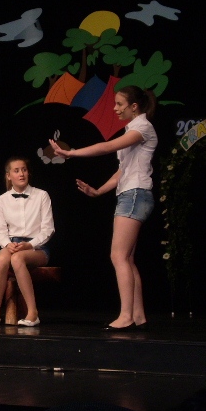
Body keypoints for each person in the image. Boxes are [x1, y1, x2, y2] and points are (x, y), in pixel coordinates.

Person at [50, 85, 157, 331]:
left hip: (135, 195)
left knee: (118, 256)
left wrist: (72, 153)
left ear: (134, 106)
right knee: (127, 258)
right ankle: (138, 315)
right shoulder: (133, 129)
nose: (115, 109)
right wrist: (98, 191)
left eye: (120, 104)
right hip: (131, 193)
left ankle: (126, 316)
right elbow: (122, 171)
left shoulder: (142, 127)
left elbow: (107, 147)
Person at [0, 157, 54, 327]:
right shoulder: (1, 200)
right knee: (2, 258)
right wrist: (8, 244)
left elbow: (48, 229)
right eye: (16, 171)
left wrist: (30, 244)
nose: (21, 174)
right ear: (9, 176)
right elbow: (0, 232)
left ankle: (33, 313)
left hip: (37, 247)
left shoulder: (41, 195)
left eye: (24, 170)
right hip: (13, 243)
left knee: (17, 258)